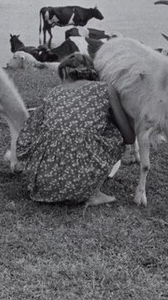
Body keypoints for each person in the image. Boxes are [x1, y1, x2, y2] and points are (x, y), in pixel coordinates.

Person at [16, 57, 136, 205]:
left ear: (65, 73)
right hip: (81, 185)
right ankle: (93, 193)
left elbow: (27, 135)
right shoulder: (105, 88)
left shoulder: (54, 92)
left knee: (50, 132)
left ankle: (57, 180)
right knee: (112, 131)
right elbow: (129, 138)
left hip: (43, 186)